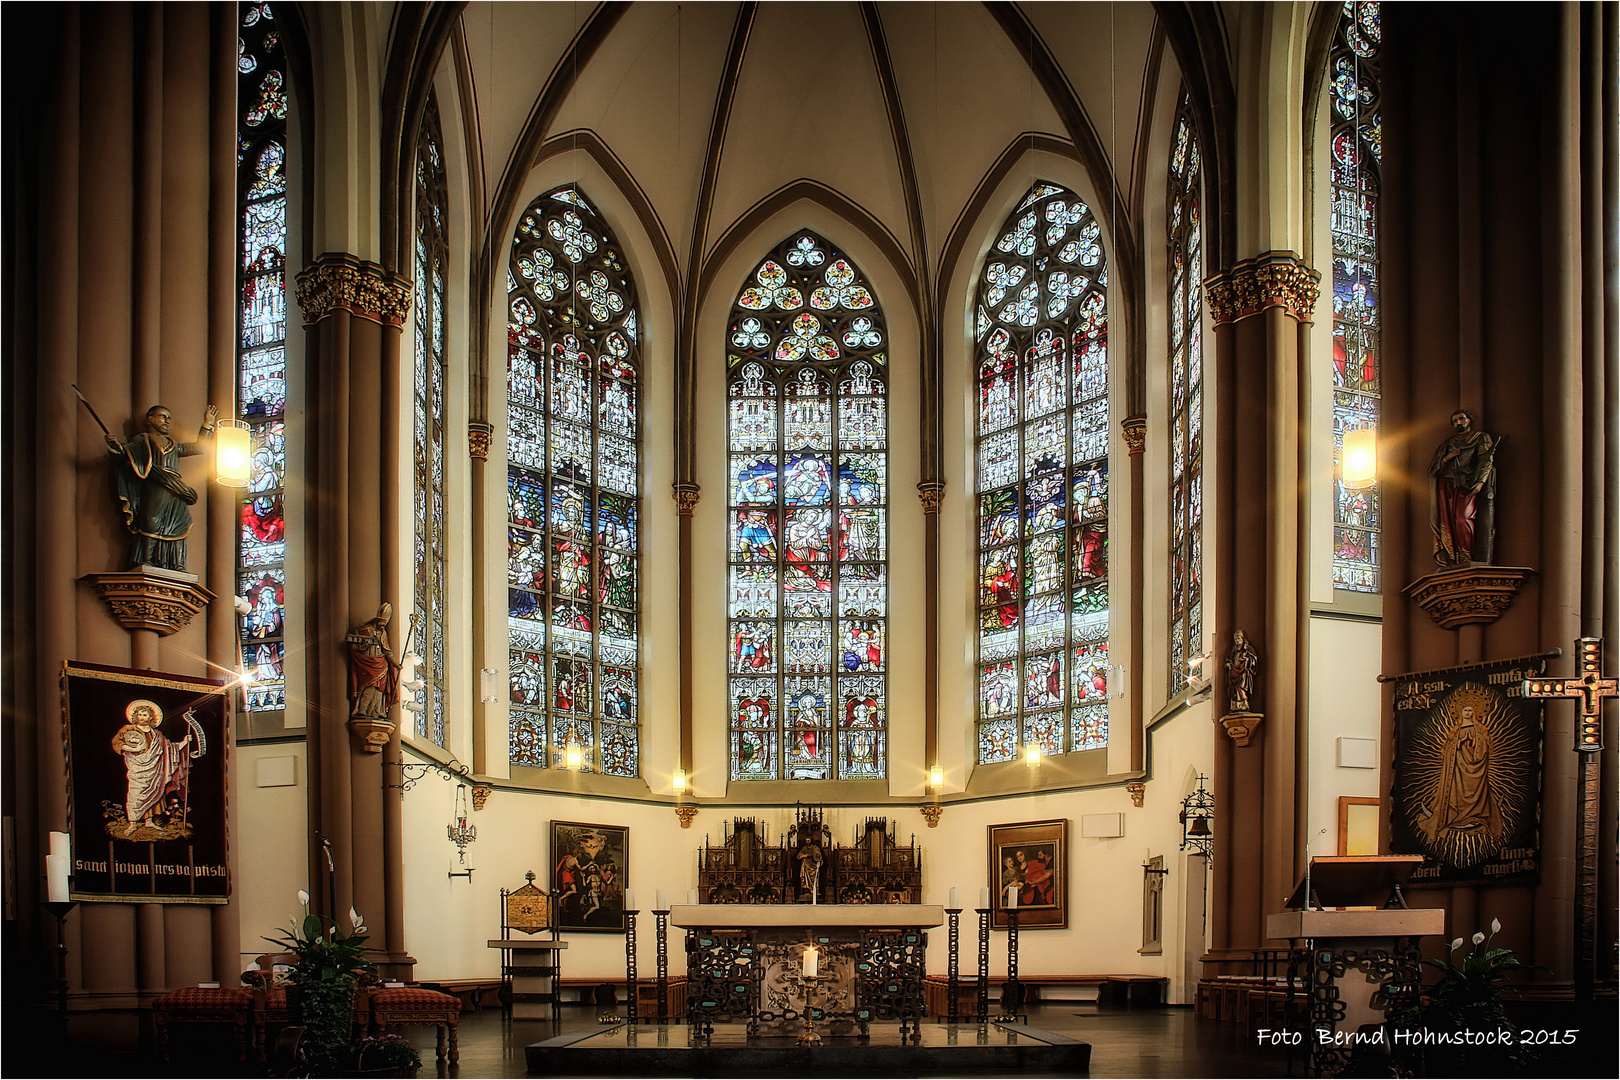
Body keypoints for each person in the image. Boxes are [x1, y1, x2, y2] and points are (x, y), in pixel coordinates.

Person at [106, 403, 218, 572]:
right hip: (157, 485)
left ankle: (177, 564)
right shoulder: (143, 439)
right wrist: (116, 446)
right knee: (151, 520)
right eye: (163, 417)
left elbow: (199, 447)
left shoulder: (174, 444)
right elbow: (126, 453)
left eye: (169, 418)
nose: (167, 421)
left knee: (181, 523)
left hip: (175, 489)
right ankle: (146, 559)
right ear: (150, 419)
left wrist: (208, 424)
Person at [1421, 692, 1500, 845]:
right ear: (1460, 713)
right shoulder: (1455, 731)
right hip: (1456, 768)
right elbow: (1448, 749)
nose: (1468, 713)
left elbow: (1483, 748)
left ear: (1475, 712)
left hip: (1474, 769)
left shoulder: (1480, 730)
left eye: (1470, 710)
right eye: (1465, 710)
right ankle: (1454, 817)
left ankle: (1474, 815)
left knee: (1475, 788)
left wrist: (1472, 747)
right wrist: (1458, 744)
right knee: (1455, 791)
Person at [110, 699, 197, 838]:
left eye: (145, 715)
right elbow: (118, 743)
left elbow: (170, 749)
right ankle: (133, 823)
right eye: (140, 714)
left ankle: (149, 821)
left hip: (155, 770)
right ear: (135, 716)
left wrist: (184, 742)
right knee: (136, 795)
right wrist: (133, 747)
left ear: (151, 717)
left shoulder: (157, 735)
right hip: (138, 768)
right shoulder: (129, 730)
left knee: (155, 792)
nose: (142, 717)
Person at [1428, 409, 1497, 567]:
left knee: (1463, 519)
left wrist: (1480, 483)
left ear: (1469, 420)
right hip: (1447, 486)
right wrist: (1448, 457)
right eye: (1454, 421)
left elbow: (1486, 461)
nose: (1458, 423)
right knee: (1448, 522)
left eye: (1461, 419)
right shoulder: (1448, 444)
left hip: (1467, 485)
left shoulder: (1480, 438)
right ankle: (1454, 557)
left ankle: (1466, 556)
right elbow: (1434, 470)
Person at [345, 603, 400, 721]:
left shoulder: (383, 633)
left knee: (380, 689)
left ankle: (377, 711)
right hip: (367, 662)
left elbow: (387, 650)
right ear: (377, 620)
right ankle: (362, 710)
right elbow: (355, 647)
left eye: (385, 623)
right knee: (369, 687)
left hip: (381, 663)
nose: (383, 626)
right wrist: (362, 646)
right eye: (382, 622)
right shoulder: (364, 630)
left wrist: (395, 664)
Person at [1227, 629, 1259, 713]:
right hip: (1234, 671)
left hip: (1243, 671)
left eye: (1238, 638)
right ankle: (1236, 705)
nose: (1237, 641)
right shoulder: (1234, 651)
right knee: (1234, 689)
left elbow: (1253, 659)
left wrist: (1246, 660)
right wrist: (1228, 664)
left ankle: (1244, 704)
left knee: (1240, 687)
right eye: (1235, 639)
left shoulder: (1248, 649)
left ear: (1242, 638)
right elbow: (1229, 659)